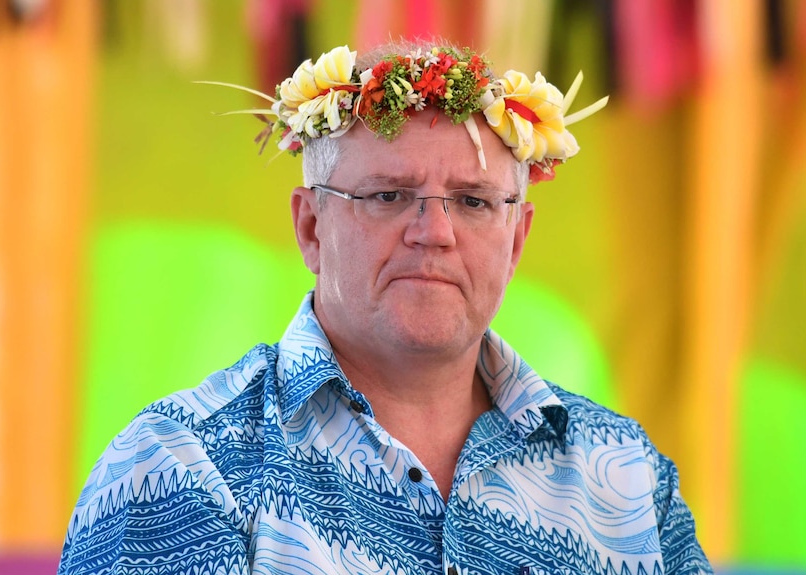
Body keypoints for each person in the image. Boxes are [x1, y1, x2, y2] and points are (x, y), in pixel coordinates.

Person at [58, 40, 712, 575]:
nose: (434, 230)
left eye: (474, 200)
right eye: (389, 196)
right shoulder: (182, 468)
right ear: (311, 226)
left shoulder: (626, 476)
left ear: (516, 240)